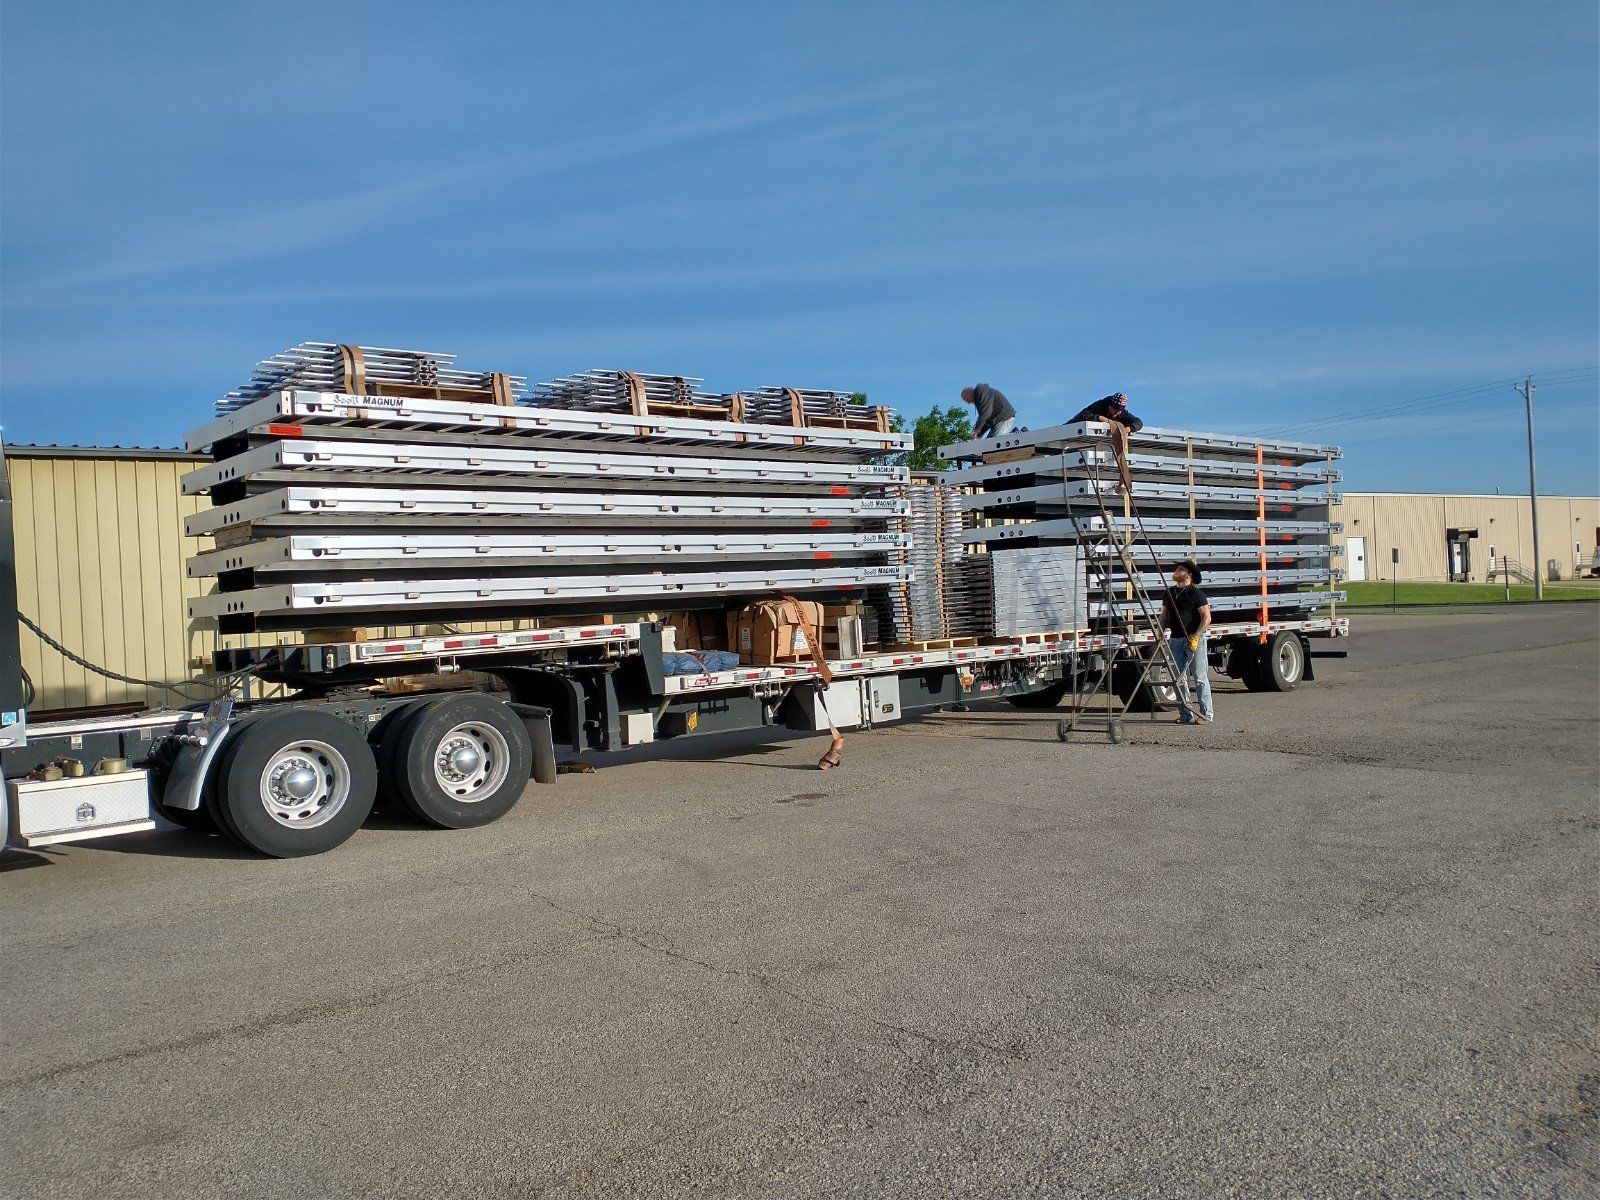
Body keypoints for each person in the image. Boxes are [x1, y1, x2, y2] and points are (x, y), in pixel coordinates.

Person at [1161, 559, 1213, 724]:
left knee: (1199, 677)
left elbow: (1207, 617)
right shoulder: (1169, 593)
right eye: (1177, 568)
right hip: (1175, 640)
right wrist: (1160, 633)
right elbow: (1164, 616)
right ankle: (1185, 713)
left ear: (1189, 575)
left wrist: (1197, 636)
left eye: (1181, 569)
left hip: (1193, 638)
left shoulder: (1196, 593)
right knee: (1178, 678)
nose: (1177, 570)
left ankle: (1206, 714)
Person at [1070, 391, 1144, 432]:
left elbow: (1138, 422)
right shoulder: (1100, 405)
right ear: (1110, 405)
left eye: (1119, 410)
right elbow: (1084, 414)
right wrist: (1100, 418)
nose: (1116, 412)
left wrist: (1127, 429)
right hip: (1072, 428)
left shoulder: (1122, 413)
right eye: (1115, 409)